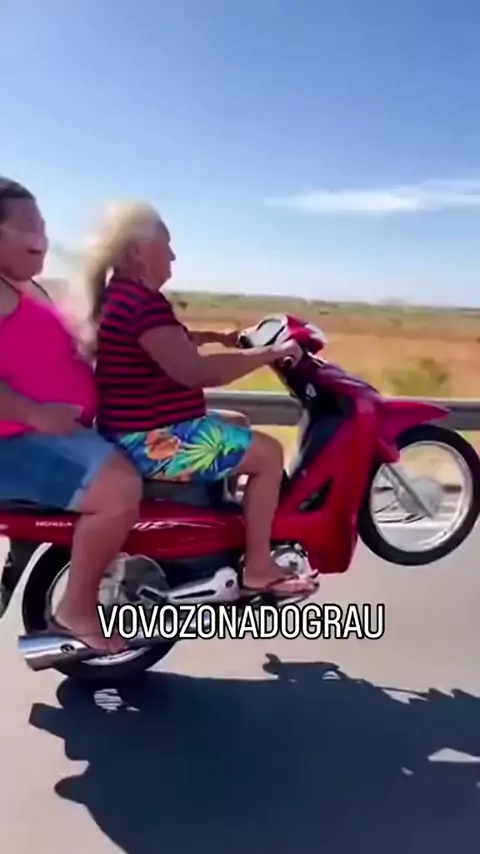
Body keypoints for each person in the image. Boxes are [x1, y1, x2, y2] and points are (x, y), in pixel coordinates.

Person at [87, 201, 317, 597]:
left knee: (238, 422)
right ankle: (258, 566)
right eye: (166, 245)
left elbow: (168, 341)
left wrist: (217, 338)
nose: (173, 256)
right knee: (268, 455)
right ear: (137, 252)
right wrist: (270, 354)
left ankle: (223, 522)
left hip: (137, 428)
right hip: (149, 440)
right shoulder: (142, 304)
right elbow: (197, 372)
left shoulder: (123, 297)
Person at [0, 177, 143, 653]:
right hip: (14, 442)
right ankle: (76, 611)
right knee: (118, 487)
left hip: (54, 434)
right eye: (27, 225)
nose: (41, 236)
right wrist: (35, 413)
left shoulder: (26, 286)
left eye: (43, 224)